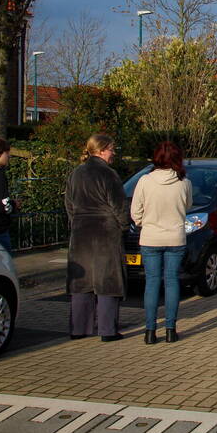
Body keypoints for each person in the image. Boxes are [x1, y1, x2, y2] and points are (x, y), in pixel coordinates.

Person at [65, 133, 130, 342]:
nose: (113, 153)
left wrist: (75, 223)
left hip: (81, 231)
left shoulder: (76, 173)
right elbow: (118, 205)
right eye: (111, 149)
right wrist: (124, 226)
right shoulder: (109, 175)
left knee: (82, 281)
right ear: (101, 150)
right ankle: (107, 329)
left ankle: (79, 328)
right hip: (105, 231)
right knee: (107, 279)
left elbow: (69, 203)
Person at [131, 141, 192, 344]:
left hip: (150, 237)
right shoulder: (184, 182)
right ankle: (170, 330)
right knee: (172, 281)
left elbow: (135, 212)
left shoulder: (145, 181)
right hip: (175, 237)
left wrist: (144, 223)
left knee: (152, 282)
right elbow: (188, 205)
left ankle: (149, 331)